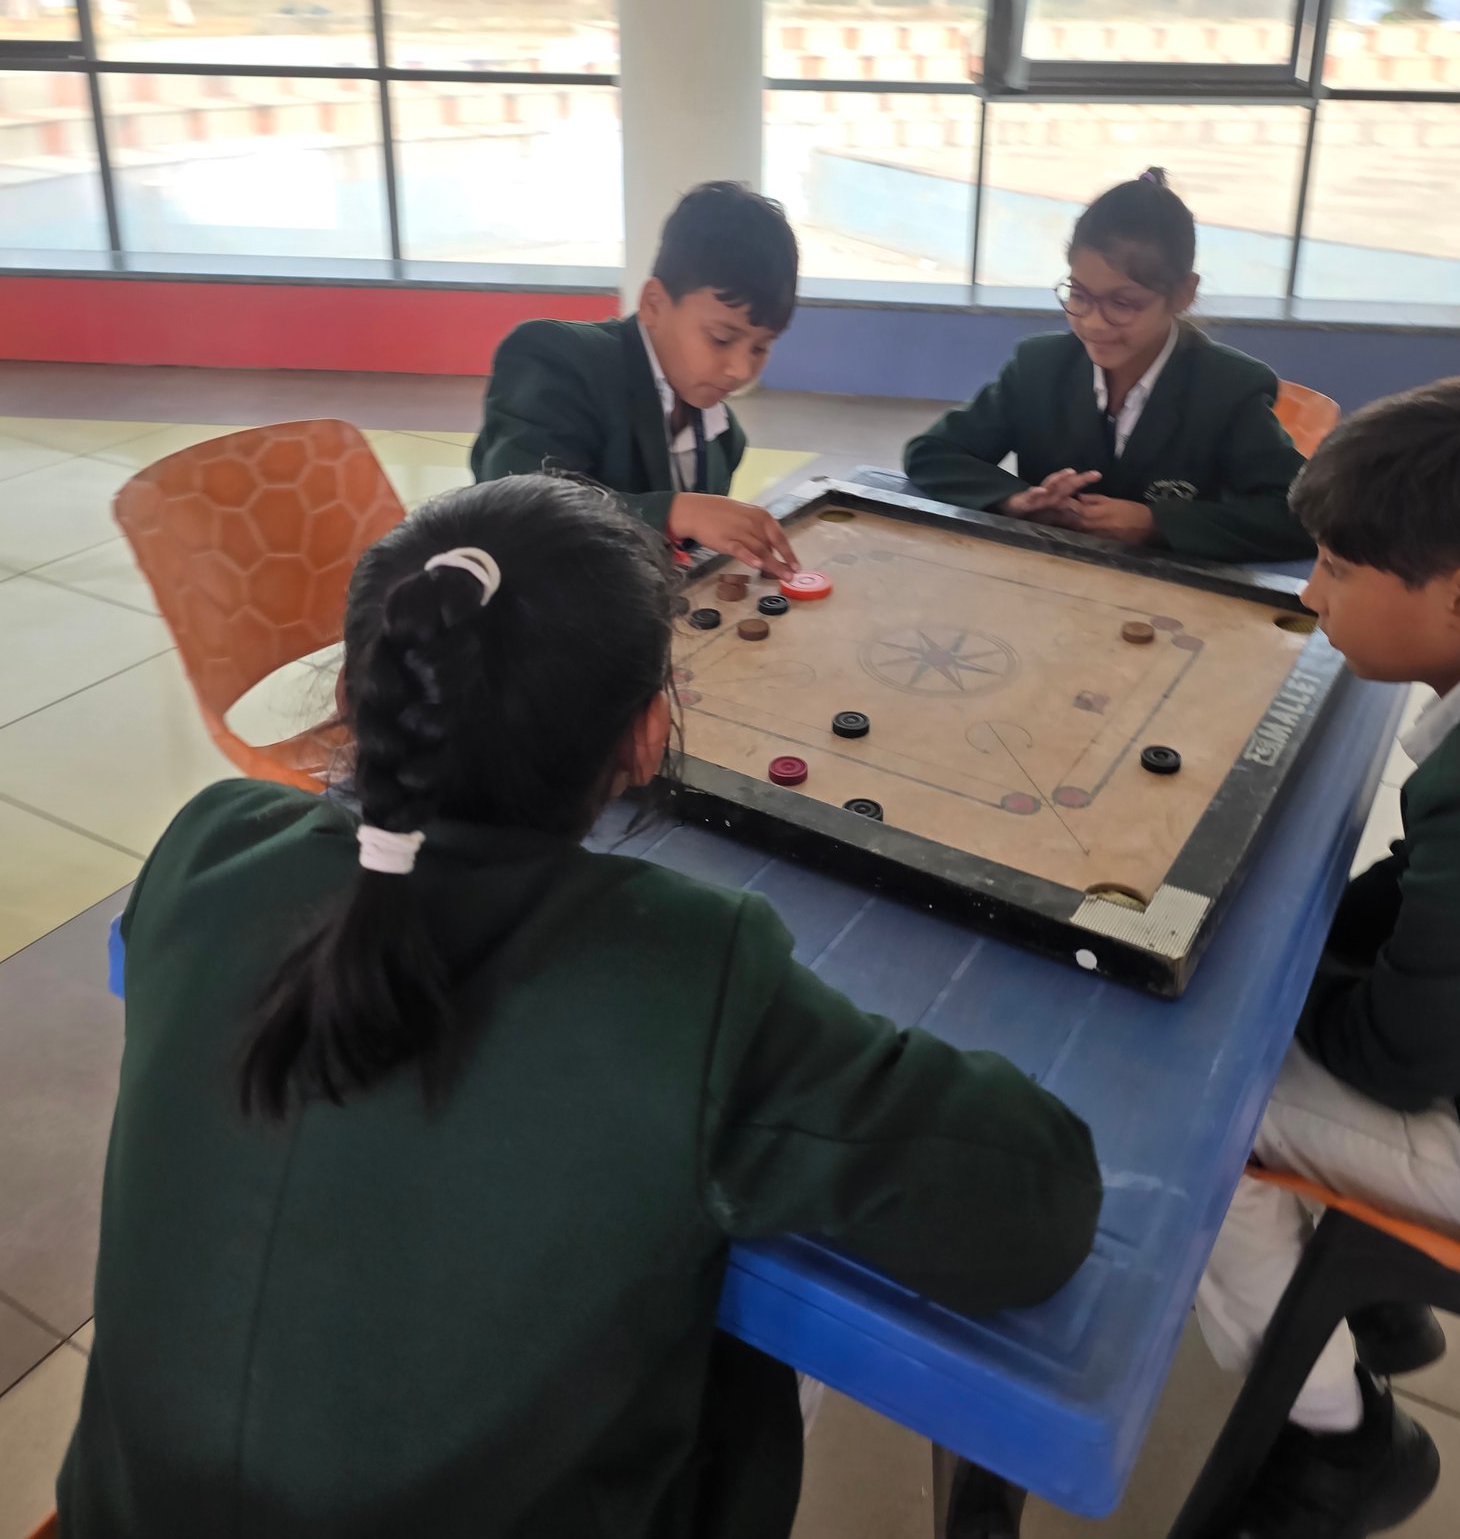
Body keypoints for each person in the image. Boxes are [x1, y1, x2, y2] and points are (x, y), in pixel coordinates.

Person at [60, 474, 1103, 1539]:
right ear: (647, 735)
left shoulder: (210, 847)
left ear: (352, 695)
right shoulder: (688, 971)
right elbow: (1035, 1212)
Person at [1194, 368, 1460, 1537]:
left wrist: (1266, 979)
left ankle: (1341, 1440)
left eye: (1336, 566)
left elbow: (1395, 1059)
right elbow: (1426, 892)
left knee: (1202, 1113)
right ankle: (1375, 1303)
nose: (1311, 590)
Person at [903, 169, 1312, 564]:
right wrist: (1014, 500)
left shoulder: (1228, 389)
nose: (1094, 323)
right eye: (1079, 295)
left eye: (1123, 303)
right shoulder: (1039, 368)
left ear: (1183, 294)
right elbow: (932, 452)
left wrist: (1157, 523)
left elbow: (1303, 516)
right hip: (1046, 578)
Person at [473, 180, 801, 576]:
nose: (741, 370)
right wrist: (674, 511)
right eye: (721, 338)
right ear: (654, 304)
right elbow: (518, 508)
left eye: (760, 347)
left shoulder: (724, 440)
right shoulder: (558, 358)